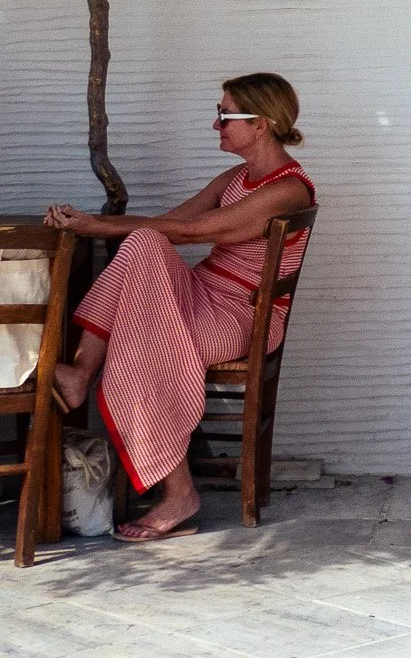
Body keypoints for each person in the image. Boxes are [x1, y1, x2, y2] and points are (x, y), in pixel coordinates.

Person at [44, 72, 315, 543]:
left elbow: (193, 233)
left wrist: (95, 226)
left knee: (146, 337)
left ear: (262, 124)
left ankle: (180, 492)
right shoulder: (238, 176)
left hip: (242, 317)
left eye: (227, 115)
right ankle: (83, 373)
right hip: (202, 293)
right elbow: (173, 222)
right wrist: (86, 224)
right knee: (142, 247)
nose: (217, 124)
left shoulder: (288, 190)